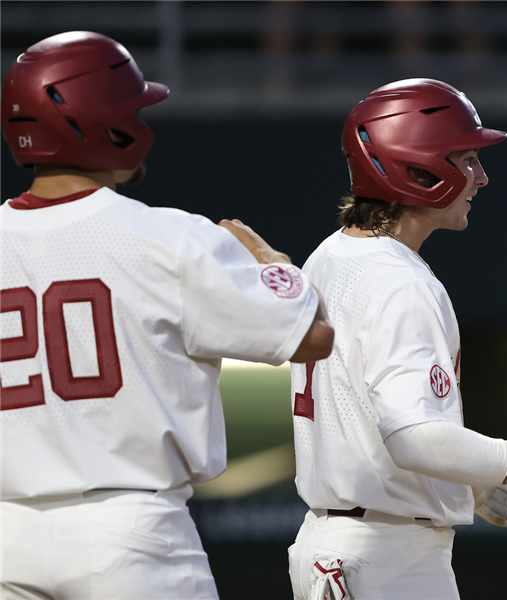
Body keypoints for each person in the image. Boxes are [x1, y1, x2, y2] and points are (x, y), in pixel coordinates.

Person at [0, 31, 333, 599]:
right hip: (129, 535)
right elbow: (313, 338)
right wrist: (281, 269)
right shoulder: (167, 237)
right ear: (107, 124)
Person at [288, 78, 507, 600]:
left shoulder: (328, 255)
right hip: (385, 557)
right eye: (465, 160)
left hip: (344, 543)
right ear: (418, 169)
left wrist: (463, 477)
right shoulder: (402, 281)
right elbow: (412, 436)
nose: (481, 178)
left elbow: (364, 413)